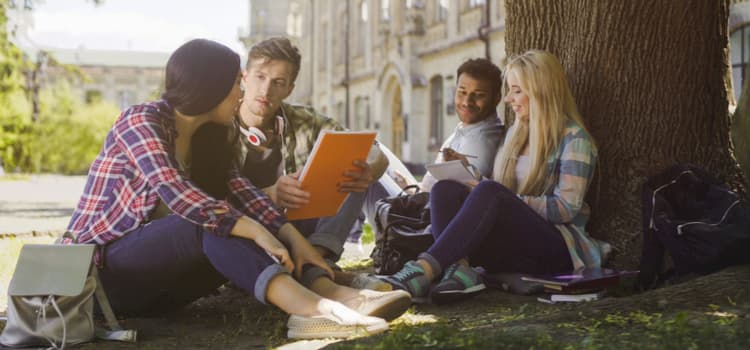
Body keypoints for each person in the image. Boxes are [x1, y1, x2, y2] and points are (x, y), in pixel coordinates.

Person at [65, 39, 410, 339]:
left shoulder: (211, 138)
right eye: (236, 83)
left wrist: (295, 240)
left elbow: (247, 196)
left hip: (166, 292)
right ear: (209, 86)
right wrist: (257, 231)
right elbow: (181, 196)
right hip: (102, 282)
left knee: (241, 216)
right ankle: (312, 310)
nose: (243, 92)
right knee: (211, 220)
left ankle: (329, 290)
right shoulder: (140, 121)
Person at [381, 50, 608, 305]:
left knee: (489, 191)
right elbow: (500, 192)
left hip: (555, 249)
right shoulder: (516, 134)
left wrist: (502, 195)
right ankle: (460, 270)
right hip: (512, 245)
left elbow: (565, 209)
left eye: (516, 90)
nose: (509, 99)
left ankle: (423, 269)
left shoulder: (574, 140)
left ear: (541, 91)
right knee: (444, 188)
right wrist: (469, 174)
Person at [230, 37, 391, 290]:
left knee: (352, 166)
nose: (266, 90)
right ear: (244, 77)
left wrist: (369, 171)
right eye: (260, 77)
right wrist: (271, 194)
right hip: (251, 232)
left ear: (289, 89)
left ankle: (316, 261)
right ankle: (323, 276)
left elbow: (374, 152)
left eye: (278, 82)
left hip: (303, 230)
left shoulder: (303, 120)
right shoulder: (220, 125)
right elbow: (212, 204)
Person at [361, 58, 505, 231]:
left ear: (497, 98)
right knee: (375, 150)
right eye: (462, 92)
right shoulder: (468, 129)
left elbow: (455, 205)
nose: (467, 101)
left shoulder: (481, 142)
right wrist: (410, 188)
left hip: (418, 226)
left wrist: (414, 194)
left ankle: (343, 241)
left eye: (479, 95)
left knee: (361, 169)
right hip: (420, 202)